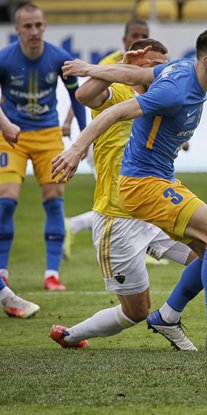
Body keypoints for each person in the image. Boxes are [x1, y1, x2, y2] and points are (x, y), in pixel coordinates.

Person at [52, 27, 207, 353]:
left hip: (155, 191)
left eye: (163, 62)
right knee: (138, 309)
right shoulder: (159, 92)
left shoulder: (176, 75)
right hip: (121, 209)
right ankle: (77, 334)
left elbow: (140, 72)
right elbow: (96, 101)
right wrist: (75, 147)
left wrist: (115, 69)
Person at [0, 2, 87, 291]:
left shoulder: (59, 58)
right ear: (17, 29)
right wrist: (5, 125)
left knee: (53, 200)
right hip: (11, 135)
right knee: (6, 201)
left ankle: (51, 274)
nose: (34, 31)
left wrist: (84, 135)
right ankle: (2, 271)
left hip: (49, 134)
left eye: (38, 25)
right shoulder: (5, 59)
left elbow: (78, 96)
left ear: (45, 25)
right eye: (28, 26)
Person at [63, 19, 150, 261]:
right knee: (115, 199)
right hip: (103, 140)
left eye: (144, 34)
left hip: (130, 142)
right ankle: (73, 226)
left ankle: (144, 245)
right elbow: (89, 94)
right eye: (135, 34)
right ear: (124, 39)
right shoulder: (109, 64)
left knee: (128, 195)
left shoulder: (147, 66)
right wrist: (70, 122)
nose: (139, 37)